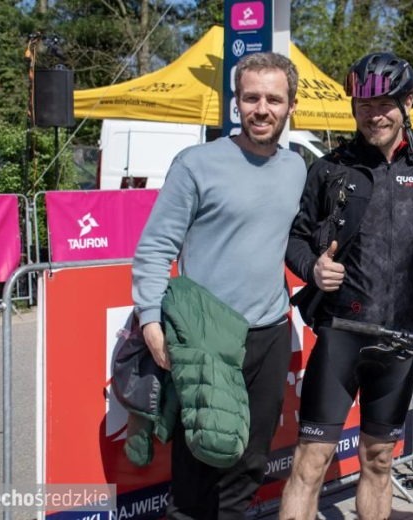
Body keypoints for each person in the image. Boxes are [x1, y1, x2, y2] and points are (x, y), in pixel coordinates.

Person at [279, 52, 413, 520]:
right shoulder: (330, 168)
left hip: (403, 338)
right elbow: (295, 238)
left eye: (384, 103)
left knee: (379, 460)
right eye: (363, 105)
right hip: (343, 332)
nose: (374, 114)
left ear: (407, 101)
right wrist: (311, 269)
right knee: (311, 462)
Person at [131, 52, 306, 519]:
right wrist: (151, 321)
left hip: (269, 334)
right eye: (252, 98)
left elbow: (298, 242)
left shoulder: (298, 169)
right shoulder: (195, 164)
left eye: (274, 98)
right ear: (237, 103)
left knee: (250, 464)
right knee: (199, 467)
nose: (262, 108)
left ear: (290, 105)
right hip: (205, 339)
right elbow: (154, 249)